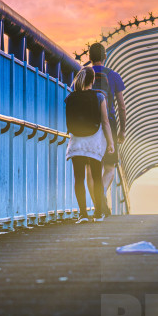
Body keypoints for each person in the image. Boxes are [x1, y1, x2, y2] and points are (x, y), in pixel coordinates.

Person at [64, 67, 115, 223]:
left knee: (78, 178)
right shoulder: (99, 96)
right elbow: (105, 122)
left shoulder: (70, 98)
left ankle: (83, 214)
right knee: (97, 177)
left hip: (77, 142)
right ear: (93, 80)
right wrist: (110, 142)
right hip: (94, 143)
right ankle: (98, 214)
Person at [84, 42, 127, 200]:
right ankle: (100, 196)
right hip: (109, 123)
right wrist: (122, 130)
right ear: (105, 57)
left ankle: (97, 203)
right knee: (109, 166)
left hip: (88, 125)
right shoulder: (113, 75)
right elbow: (121, 106)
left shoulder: (82, 74)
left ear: (90, 57)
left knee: (90, 167)